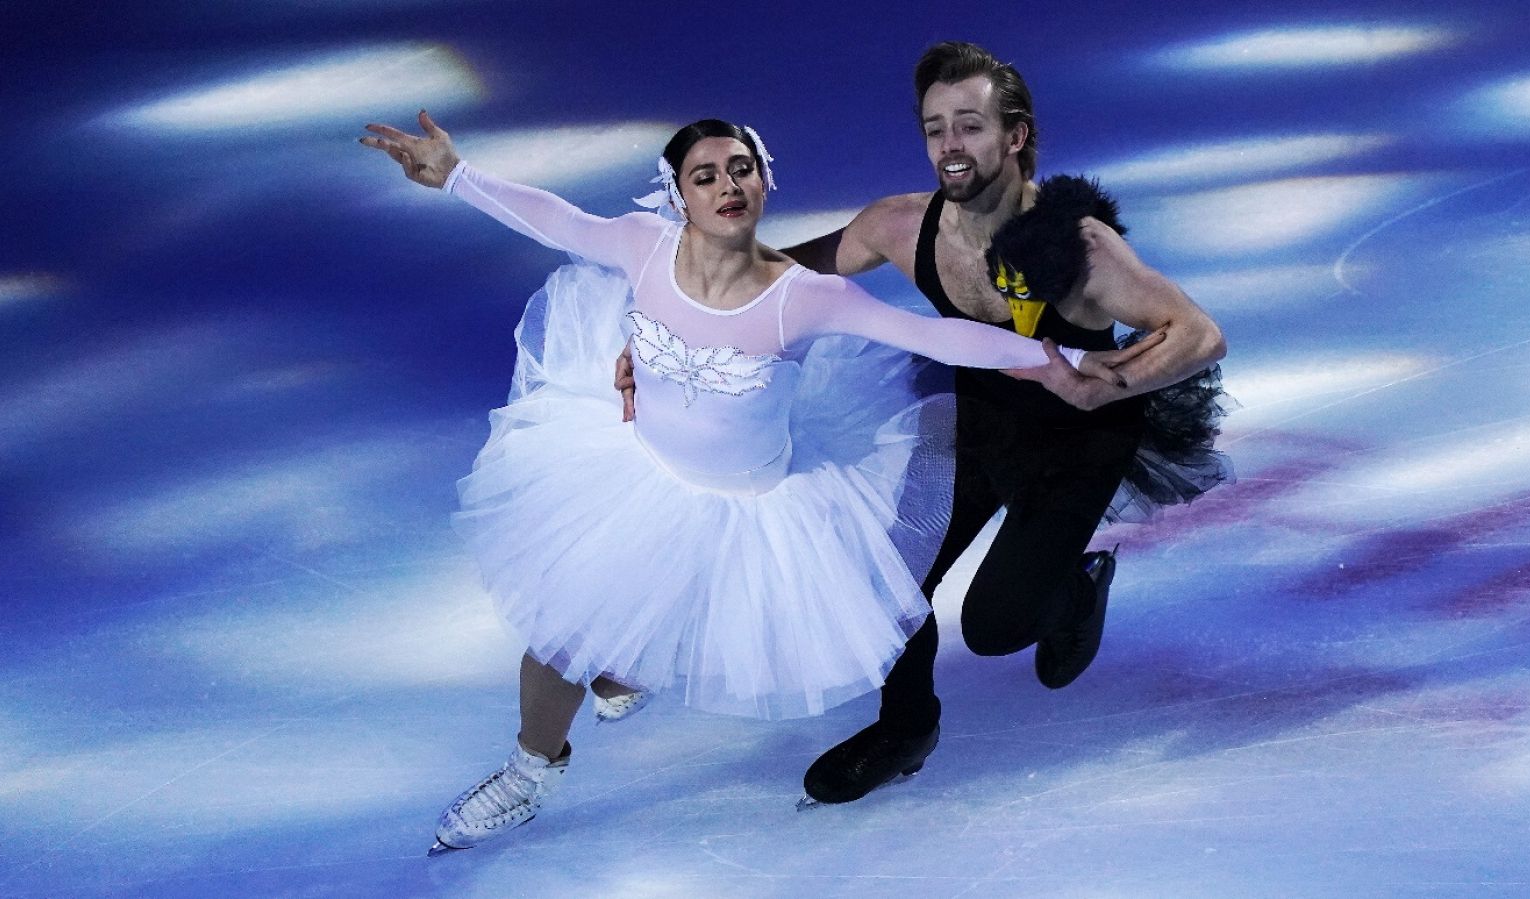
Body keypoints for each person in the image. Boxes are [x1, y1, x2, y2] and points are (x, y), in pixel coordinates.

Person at [359, 111, 1157, 854]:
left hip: (753, 509)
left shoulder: (803, 296)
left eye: (741, 168)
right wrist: (458, 175)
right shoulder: (644, 246)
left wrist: (1071, 360)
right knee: (563, 627)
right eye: (704, 175)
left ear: (765, 182)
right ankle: (532, 770)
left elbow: (930, 332)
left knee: (664, 627)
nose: (727, 185)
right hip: (634, 478)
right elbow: (560, 221)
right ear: (678, 194)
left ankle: (623, 667)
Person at [615, 42, 1231, 806]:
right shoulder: (900, 226)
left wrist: (1106, 390)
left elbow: (1200, 333)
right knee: (885, 584)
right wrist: (672, 334)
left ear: (1015, 136)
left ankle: (1074, 586)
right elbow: (773, 283)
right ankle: (907, 728)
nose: (950, 146)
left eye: (969, 126)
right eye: (936, 128)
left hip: (1077, 439)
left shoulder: (1083, 248)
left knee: (998, 624)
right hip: (969, 419)